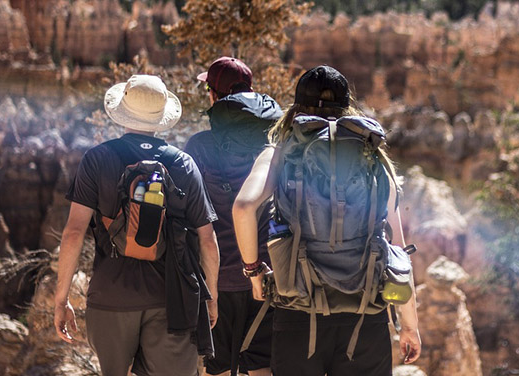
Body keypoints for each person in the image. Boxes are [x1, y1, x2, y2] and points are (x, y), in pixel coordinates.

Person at [233, 65, 421, 376]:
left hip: (298, 309)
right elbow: (398, 250)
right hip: (365, 312)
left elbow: (243, 207)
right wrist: (409, 325)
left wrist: (254, 274)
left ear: (296, 108)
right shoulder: (372, 155)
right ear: (348, 107)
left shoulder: (280, 152)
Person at [54, 74, 220, 376]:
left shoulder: (97, 159)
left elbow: (74, 232)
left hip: (110, 296)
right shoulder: (183, 164)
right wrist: (213, 298)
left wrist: (61, 299)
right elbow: (207, 240)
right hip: (171, 301)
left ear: (123, 112)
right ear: (161, 117)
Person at [185, 57, 283, 376]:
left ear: (214, 96)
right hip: (267, 275)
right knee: (262, 366)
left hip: (218, 279)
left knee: (218, 368)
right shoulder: (273, 145)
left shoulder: (199, 147)